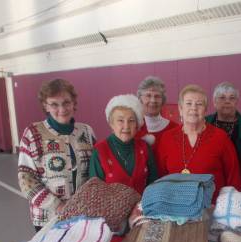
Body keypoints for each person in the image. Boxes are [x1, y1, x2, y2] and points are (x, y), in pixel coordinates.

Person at [18, 78, 95, 230]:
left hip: (81, 214)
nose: (62, 109)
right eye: (54, 104)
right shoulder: (33, 134)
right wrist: (57, 206)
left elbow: (93, 173)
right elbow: (26, 179)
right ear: (45, 106)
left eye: (66, 102)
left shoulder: (86, 131)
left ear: (74, 103)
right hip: (48, 217)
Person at [155, 84, 241, 201]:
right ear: (180, 109)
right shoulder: (167, 138)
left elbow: (233, 177)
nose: (194, 108)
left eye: (199, 104)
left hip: (213, 208)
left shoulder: (220, 137)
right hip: (175, 207)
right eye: (189, 103)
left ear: (205, 110)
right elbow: (161, 177)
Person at [89, 94, 157, 193]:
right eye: (120, 120)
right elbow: (95, 192)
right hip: (110, 208)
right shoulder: (100, 151)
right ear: (111, 123)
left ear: (137, 125)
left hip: (143, 207)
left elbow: (154, 184)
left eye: (131, 120)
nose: (126, 126)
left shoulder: (144, 148)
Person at [205, 82, 241, 163]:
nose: (227, 101)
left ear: (237, 101)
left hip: (240, 173)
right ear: (214, 102)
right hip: (210, 173)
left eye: (232, 98)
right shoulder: (204, 122)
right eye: (222, 98)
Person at [136, 76, 179, 150]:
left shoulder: (175, 128)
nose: (153, 100)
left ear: (163, 100)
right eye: (148, 96)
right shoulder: (133, 129)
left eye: (157, 96)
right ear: (140, 99)